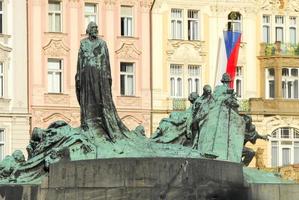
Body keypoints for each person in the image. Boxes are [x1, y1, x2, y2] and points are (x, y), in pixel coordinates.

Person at [76, 22, 128, 141]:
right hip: (86, 75)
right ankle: (88, 124)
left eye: (96, 28)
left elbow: (106, 61)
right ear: (88, 30)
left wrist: (107, 76)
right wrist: (79, 75)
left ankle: (101, 125)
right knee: (87, 100)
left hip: (99, 76)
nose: (96, 30)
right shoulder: (83, 43)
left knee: (100, 99)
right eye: (93, 28)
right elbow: (79, 61)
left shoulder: (102, 43)